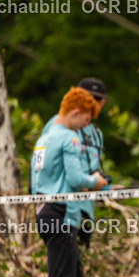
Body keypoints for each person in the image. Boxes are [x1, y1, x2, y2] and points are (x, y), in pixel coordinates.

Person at [31, 88, 109, 277]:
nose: (85, 127)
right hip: (61, 213)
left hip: (43, 210)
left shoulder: (45, 137)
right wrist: (96, 182)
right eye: (86, 120)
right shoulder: (70, 139)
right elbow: (77, 179)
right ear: (76, 113)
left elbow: (35, 180)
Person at [42, 77, 112, 248]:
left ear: (102, 103)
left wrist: (105, 187)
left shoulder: (95, 133)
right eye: (88, 98)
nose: (91, 104)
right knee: (64, 266)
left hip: (84, 208)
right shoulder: (59, 127)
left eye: (96, 100)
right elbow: (46, 166)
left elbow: (92, 169)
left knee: (76, 262)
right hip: (62, 207)